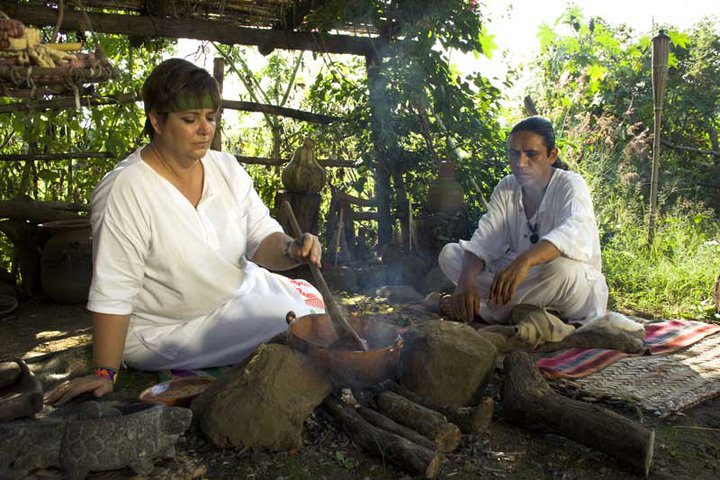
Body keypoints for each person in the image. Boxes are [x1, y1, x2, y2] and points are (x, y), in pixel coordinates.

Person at [46, 58, 325, 405]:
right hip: (170, 327)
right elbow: (114, 287)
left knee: (312, 307)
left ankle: (287, 313)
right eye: (190, 119)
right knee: (298, 325)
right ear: (157, 121)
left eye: (210, 117)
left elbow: (261, 236)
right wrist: (104, 370)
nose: (205, 129)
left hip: (238, 294)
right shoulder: (126, 189)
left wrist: (290, 248)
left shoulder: (226, 168)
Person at [438, 116, 608, 326]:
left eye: (531, 154)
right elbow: (485, 238)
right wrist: (465, 283)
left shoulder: (570, 184)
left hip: (563, 282)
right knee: (450, 254)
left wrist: (525, 261)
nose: (520, 163)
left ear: (552, 155)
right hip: (523, 277)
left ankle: (486, 310)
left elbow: (575, 231)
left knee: (563, 270)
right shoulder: (507, 186)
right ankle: (519, 308)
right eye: (514, 154)